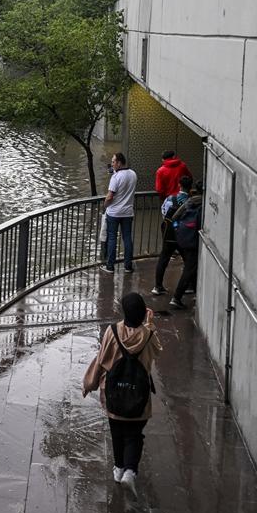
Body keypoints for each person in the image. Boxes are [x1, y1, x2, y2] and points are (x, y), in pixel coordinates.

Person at [82, 292, 163, 492]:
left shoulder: (112, 332)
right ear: (143, 314)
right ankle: (130, 471)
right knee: (135, 435)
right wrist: (150, 325)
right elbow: (158, 350)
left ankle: (119, 468)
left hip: (114, 395)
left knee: (117, 432)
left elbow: (101, 360)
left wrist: (89, 383)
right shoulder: (149, 335)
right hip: (139, 396)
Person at [152, 175, 193, 297]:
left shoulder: (170, 198)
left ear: (179, 185)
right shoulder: (191, 202)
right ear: (190, 188)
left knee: (163, 259)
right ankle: (189, 286)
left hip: (169, 234)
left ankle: (158, 286)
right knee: (188, 261)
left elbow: (164, 211)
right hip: (184, 236)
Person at [169, 181, 204, 310]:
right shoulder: (205, 204)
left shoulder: (190, 201)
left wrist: (177, 229)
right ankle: (177, 297)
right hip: (194, 240)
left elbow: (174, 217)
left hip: (183, 238)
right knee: (189, 268)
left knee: (191, 266)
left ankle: (195, 291)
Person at [101, 152, 137, 274]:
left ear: (119, 163)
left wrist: (105, 206)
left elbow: (110, 196)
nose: (112, 164)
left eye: (113, 162)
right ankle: (128, 266)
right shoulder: (133, 174)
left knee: (112, 238)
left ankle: (110, 266)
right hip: (128, 212)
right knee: (127, 238)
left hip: (114, 213)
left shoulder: (115, 178)